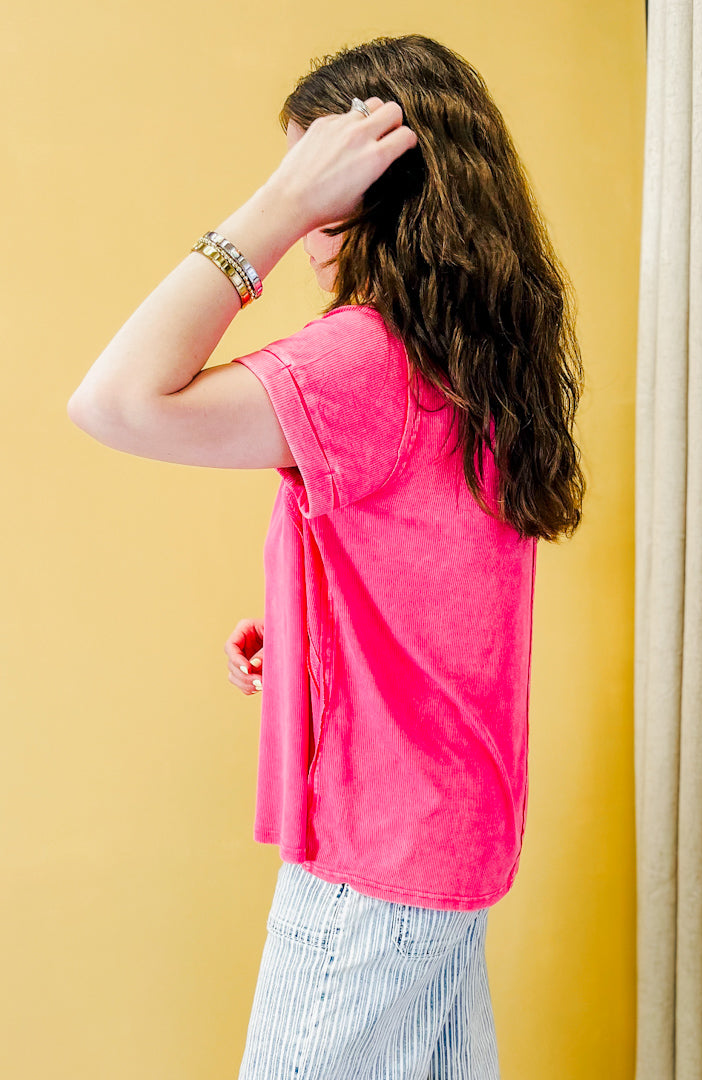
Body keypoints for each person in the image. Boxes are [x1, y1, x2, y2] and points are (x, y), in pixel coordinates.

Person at [68, 32, 585, 1080]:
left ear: (372, 192)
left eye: (319, 189)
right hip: (452, 841)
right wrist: (308, 627)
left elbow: (114, 401)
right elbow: (443, 586)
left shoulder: (366, 359)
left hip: (372, 859)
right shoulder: (483, 362)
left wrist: (271, 208)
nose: (309, 230)